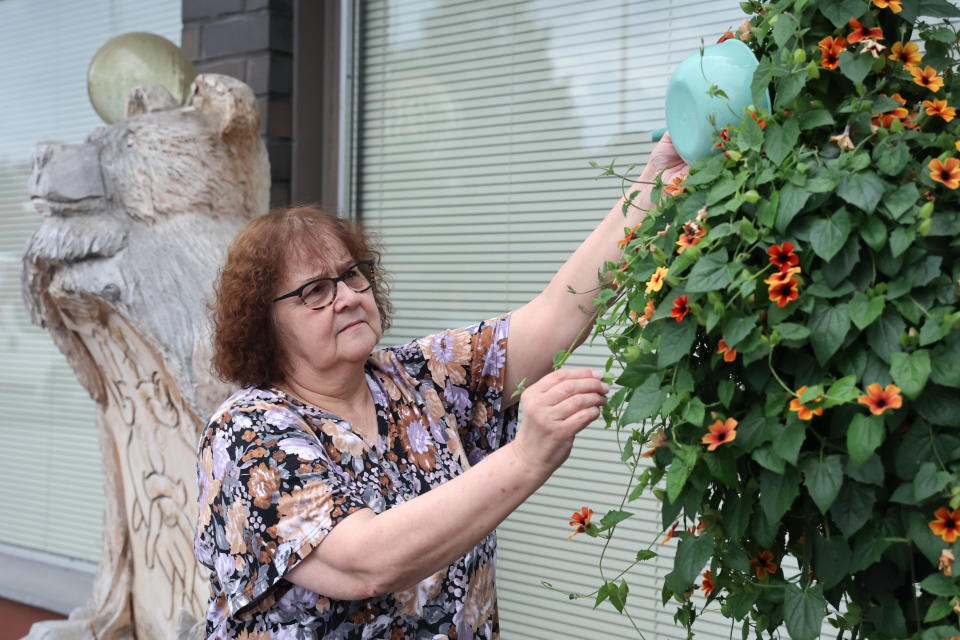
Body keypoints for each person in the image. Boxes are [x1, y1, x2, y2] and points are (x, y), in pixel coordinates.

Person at [194, 134, 688, 639]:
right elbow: (367, 564)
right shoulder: (247, 431)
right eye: (315, 292)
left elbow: (559, 313)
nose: (345, 296)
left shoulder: (421, 375)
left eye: (351, 275)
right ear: (264, 323)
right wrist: (525, 458)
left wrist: (655, 184)